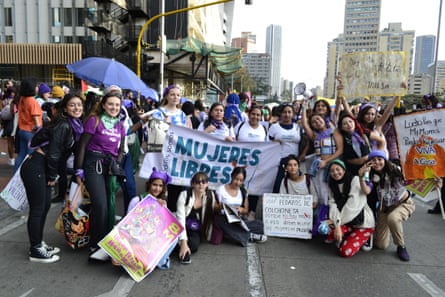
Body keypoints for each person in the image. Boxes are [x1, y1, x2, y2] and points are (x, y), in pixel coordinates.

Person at [20, 93, 84, 263]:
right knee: (38, 208)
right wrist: (52, 176)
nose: (76, 108)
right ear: (65, 108)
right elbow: (54, 154)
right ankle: (35, 250)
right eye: (72, 105)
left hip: (42, 166)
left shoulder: (75, 125)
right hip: (37, 166)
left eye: (79, 105)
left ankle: (39, 243)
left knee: (45, 206)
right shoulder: (64, 125)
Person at [74, 87, 126, 261]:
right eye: (110, 104)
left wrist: (117, 163)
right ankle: (96, 244)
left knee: (108, 206)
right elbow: (82, 146)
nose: (114, 108)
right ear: (103, 105)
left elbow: (121, 150)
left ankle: (104, 242)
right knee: (100, 205)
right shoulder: (94, 121)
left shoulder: (120, 125)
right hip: (93, 164)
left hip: (109, 167)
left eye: (117, 105)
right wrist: (78, 170)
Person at [364, 150, 415, 261]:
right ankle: (390, 229)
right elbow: (367, 192)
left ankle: (401, 246)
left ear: (385, 160)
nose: (377, 162)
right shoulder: (372, 177)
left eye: (379, 159)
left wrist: (435, 181)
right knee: (381, 245)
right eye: (373, 160)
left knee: (393, 218)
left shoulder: (396, 170)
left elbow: (414, 176)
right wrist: (363, 173)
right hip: (385, 208)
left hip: (404, 203)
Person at [151, 84, 191, 212]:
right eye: (172, 94)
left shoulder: (182, 114)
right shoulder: (158, 112)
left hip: (177, 157)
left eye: (178, 95)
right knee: (159, 187)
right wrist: (166, 125)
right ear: (167, 96)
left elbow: (184, 134)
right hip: (161, 155)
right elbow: (154, 132)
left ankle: (171, 217)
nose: (175, 97)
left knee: (174, 187)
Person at [124, 167, 173, 269]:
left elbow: (163, 225)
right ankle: (158, 260)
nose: (157, 189)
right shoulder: (136, 200)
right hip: (136, 236)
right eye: (154, 184)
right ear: (149, 184)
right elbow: (126, 222)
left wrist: (163, 209)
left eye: (160, 186)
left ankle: (156, 261)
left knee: (175, 236)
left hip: (152, 239)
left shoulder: (162, 202)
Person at [325, 159, 375, 258]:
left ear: (344, 170)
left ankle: (365, 237)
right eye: (332, 171)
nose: (335, 172)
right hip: (346, 222)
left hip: (362, 223)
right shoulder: (332, 185)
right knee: (326, 230)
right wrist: (336, 225)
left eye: (338, 169)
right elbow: (333, 205)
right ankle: (347, 235)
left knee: (345, 252)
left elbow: (352, 207)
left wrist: (337, 225)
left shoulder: (355, 180)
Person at [214, 167, 267, 247]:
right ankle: (249, 236)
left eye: (241, 181)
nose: (238, 183)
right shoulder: (221, 190)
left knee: (260, 225)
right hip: (225, 218)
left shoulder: (243, 191)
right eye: (236, 179)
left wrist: (241, 210)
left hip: (238, 219)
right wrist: (222, 206)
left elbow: (246, 210)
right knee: (221, 221)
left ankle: (235, 234)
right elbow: (214, 208)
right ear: (231, 177)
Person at [176, 172, 220, 264]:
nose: (201, 184)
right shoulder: (184, 195)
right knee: (176, 240)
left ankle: (181, 249)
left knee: (193, 245)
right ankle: (182, 251)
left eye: (204, 182)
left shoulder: (210, 196)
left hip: (195, 229)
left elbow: (216, 210)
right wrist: (183, 243)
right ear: (192, 184)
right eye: (197, 182)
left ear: (207, 184)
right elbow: (180, 220)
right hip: (181, 225)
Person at [234, 105, 267, 220]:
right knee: (239, 185)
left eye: (258, 115)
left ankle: (251, 211)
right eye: (253, 114)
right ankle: (239, 209)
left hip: (256, 165)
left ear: (261, 117)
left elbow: (267, 146)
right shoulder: (240, 126)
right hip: (240, 163)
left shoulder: (263, 129)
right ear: (249, 114)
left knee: (254, 187)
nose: (255, 117)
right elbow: (233, 141)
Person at [268, 103, 303, 193]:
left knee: (294, 187)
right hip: (278, 162)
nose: (287, 114)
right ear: (280, 114)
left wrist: (302, 154)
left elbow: (306, 142)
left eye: (289, 112)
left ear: (293, 114)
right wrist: (273, 143)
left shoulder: (297, 127)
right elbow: (266, 144)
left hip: (294, 163)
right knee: (278, 186)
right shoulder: (274, 127)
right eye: (284, 112)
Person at [14, 78, 42, 173]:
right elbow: (36, 118)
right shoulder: (32, 101)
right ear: (32, 88)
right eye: (37, 86)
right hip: (31, 132)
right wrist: (39, 131)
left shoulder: (22, 99)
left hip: (22, 130)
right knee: (32, 156)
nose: (38, 87)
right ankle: (29, 176)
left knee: (21, 155)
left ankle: (16, 176)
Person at [1, 86, 17, 166]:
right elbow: (14, 112)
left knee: (9, 142)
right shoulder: (14, 101)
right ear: (12, 93)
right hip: (14, 122)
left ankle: (11, 159)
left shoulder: (4, 100)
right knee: (14, 142)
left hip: (7, 123)